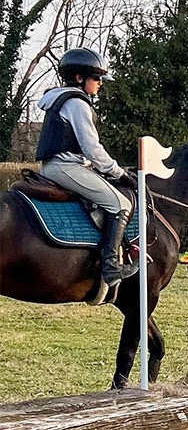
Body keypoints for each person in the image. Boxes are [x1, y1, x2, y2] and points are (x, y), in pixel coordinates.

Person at [36, 47, 138, 287]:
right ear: (80, 78)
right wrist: (119, 172)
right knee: (121, 205)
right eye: (96, 78)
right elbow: (93, 149)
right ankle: (111, 268)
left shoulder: (59, 99)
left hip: (56, 165)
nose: (100, 83)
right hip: (65, 167)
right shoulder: (76, 103)